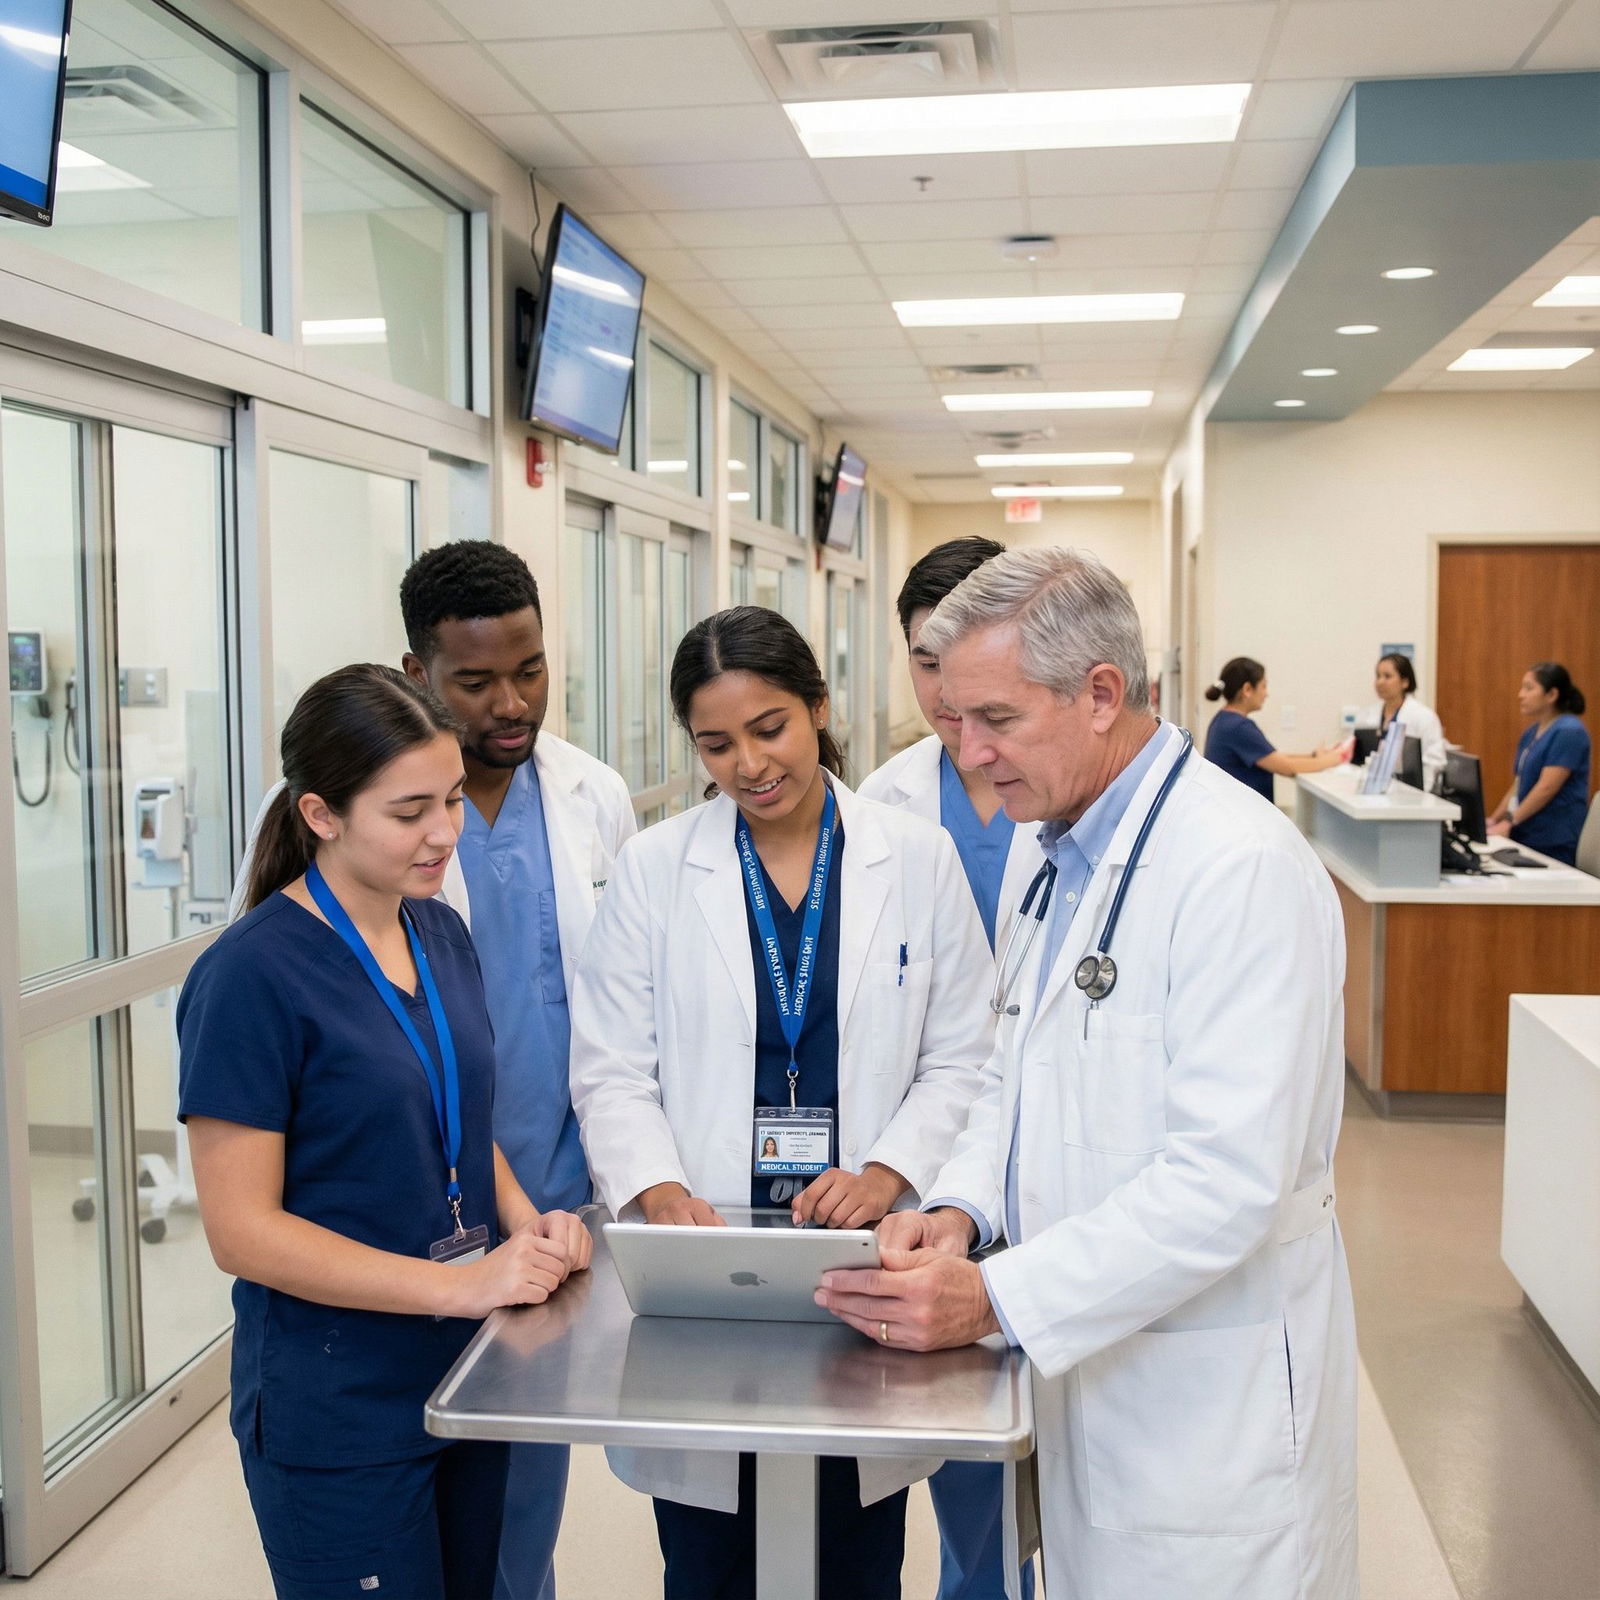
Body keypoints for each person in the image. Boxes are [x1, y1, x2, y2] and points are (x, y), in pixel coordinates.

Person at [816, 549, 1358, 1600]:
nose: (969, 753)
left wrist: (994, 1296)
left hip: (1205, 1405)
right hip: (1089, 1363)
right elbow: (1007, 1070)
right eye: (957, 718)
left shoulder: (1238, 869)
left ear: (1101, 694)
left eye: (996, 719)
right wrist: (962, 1209)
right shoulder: (1048, 842)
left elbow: (1225, 1180)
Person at [234, 542, 636, 1600]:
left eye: (452, 803)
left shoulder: (436, 931)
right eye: (412, 812)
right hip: (350, 1371)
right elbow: (242, 1228)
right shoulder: (258, 971)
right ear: (322, 815)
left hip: (482, 1309)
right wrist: (459, 1281)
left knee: (508, 1555)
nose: (445, 834)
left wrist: (527, 1222)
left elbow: (465, 1109)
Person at [568, 606, 995, 1600]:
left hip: (861, 1244)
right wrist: (656, 1187)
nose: (749, 765)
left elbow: (966, 1054)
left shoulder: (915, 857)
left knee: (856, 1552)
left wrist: (887, 1171)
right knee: (709, 1557)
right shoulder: (656, 868)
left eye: (770, 729)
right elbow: (610, 1066)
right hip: (708, 1247)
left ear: (818, 708)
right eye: (716, 744)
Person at [858, 535, 1036, 1600]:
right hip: (921, 1158)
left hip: (1040, 1144)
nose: (942, 694)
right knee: (920, 1435)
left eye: (960, 664)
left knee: (1017, 1468)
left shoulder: (1057, 790)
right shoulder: (882, 800)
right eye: (924, 663)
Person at [1488, 661, 1591, 865]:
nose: (1521, 695)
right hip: (1525, 833)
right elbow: (1518, 784)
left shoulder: (1569, 731)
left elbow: (1546, 788)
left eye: (1529, 688)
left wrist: (1510, 821)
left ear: (1552, 694)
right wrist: (1494, 820)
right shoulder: (1532, 733)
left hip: (1553, 840)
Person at [1203, 655, 1343, 801]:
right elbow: (1287, 768)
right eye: (1263, 686)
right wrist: (1336, 758)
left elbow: (1272, 757)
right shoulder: (1238, 727)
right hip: (1244, 812)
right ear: (1247, 689)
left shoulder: (1223, 720)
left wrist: (1312, 756)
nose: (1266, 694)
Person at [1355, 652, 1447, 789]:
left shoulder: (1424, 716)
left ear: (1405, 682)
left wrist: (1422, 792)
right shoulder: (1367, 714)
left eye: (1387, 676)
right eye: (1378, 676)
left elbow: (1435, 761)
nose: (1380, 682)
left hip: (1411, 790)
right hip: (1371, 786)